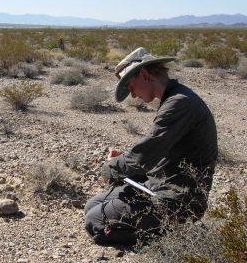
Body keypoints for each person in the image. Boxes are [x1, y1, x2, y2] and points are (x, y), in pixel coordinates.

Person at [84, 47, 218, 245]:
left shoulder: (180, 103)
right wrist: (123, 164)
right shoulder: (174, 99)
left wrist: (111, 168)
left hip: (178, 201)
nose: (133, 96)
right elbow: (154, 152)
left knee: (95, 222)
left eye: (131, 87)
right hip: (160, 187)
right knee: (92, 206)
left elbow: (144, 157)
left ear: (144, 74)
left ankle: (177, 235)